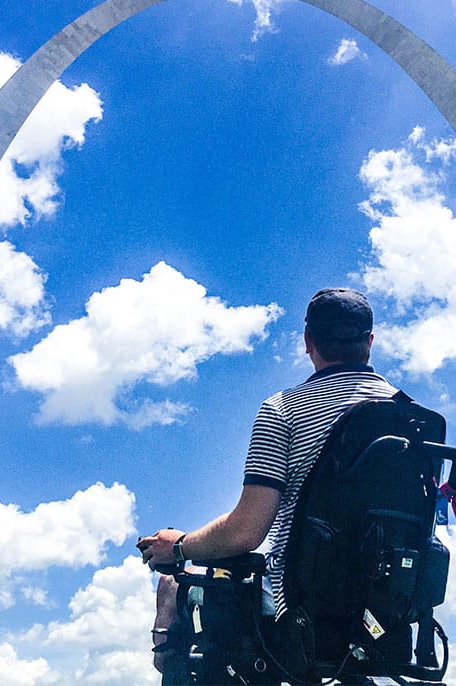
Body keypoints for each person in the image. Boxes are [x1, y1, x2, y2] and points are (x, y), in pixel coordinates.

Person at [136, 288, 399, 673]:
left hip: (298, 611)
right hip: (387, 615)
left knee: (176, 583)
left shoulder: (284, 410)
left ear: (309, 342)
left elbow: (246, 533)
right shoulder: (411, 419)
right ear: (370, 342)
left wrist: (179, 547)